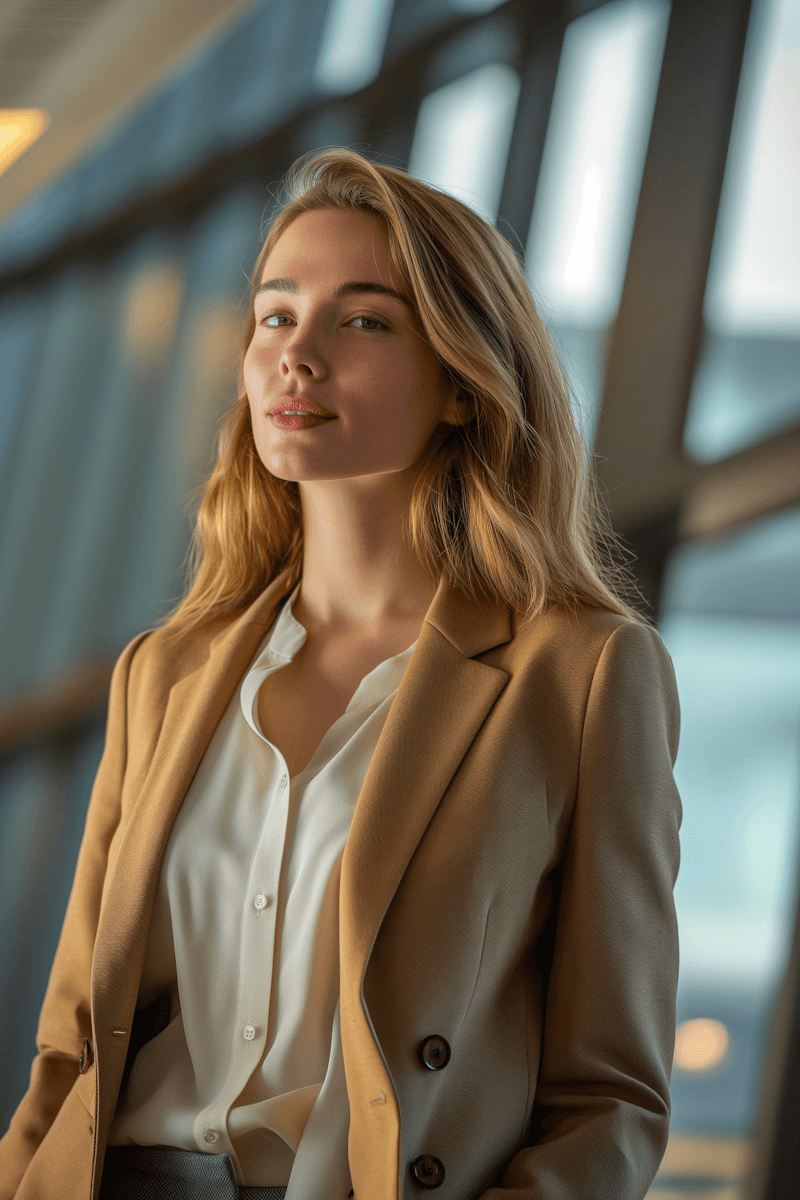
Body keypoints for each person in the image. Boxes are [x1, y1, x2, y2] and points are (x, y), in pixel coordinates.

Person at [0, 148, 682, 1200]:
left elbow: (609, 1097)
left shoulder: (582, 674)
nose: (296, 356)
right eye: (275, 316)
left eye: (361, 320)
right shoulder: (166, 670)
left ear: (463, 384)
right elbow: (70, 1051)